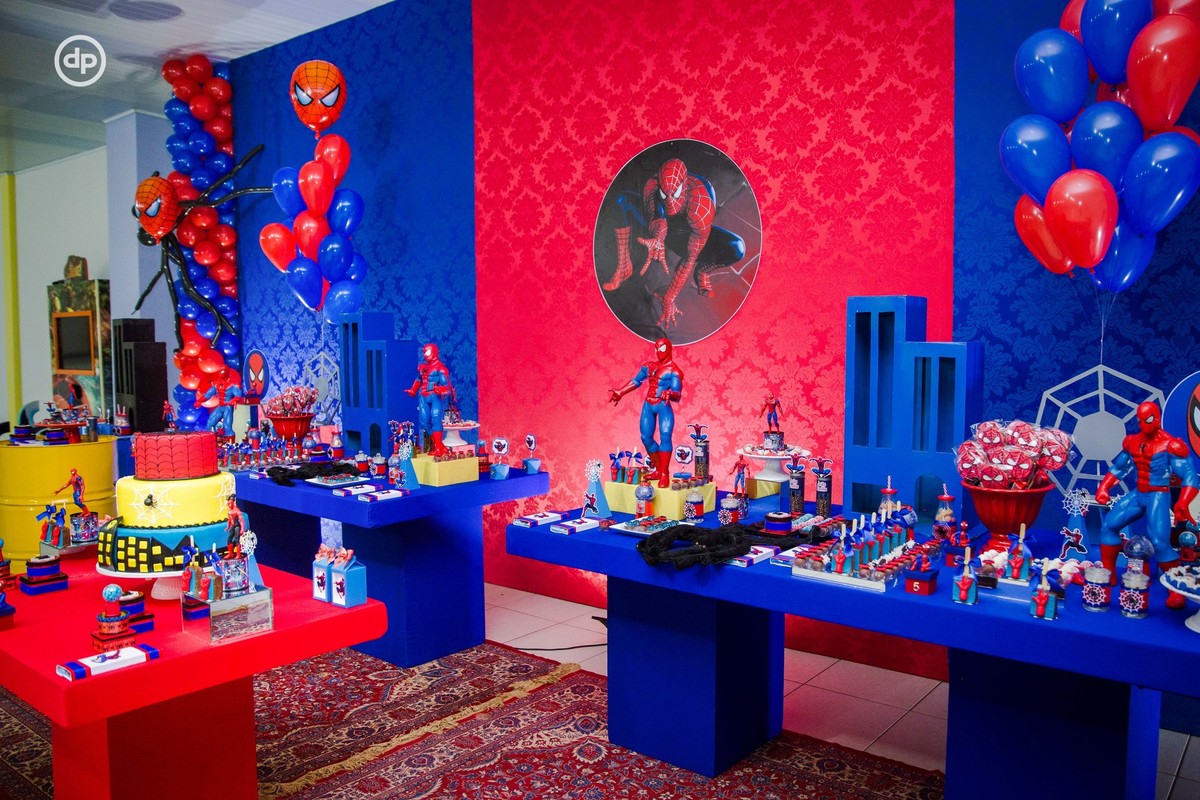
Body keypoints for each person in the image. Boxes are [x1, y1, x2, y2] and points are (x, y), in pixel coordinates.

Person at [602, 159, 746, 328]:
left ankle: (702, 271)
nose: (670, 202)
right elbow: (658, 217)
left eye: (675, 194)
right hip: (661, 230)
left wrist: (669, 298)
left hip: (685, 237)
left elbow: (690, 257)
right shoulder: (653, 185)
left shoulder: (701, 203)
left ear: (684, 186)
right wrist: (658, 238)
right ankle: (624, 266)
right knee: (622, 200)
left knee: (736, 247)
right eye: (665, 195)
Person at [1096, 401, 1199, 609]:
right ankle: (1108, 574)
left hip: (1158, 494)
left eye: (1149, 419)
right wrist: (1104, 487)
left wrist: (1183, 502)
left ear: (1157, 419)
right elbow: (1119, 468)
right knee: (1109, 526)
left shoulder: (1171, 445)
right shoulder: (1132, 442)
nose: (1144, 424)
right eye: (1140, 420)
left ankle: (1175, 589)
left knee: (1160, 543)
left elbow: (1189, 476)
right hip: (1139, 493)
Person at [609, 338, 683, 488]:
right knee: (645, 437)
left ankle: (664, 474)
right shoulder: (649, 366)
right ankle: (659, 470)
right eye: (656, 348)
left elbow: (677, 394)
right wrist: (621, 392)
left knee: (665, 436)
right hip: (649, 403)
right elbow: (636, 381)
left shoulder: (674, 371)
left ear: (669, 349)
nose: (658, 351)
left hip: (663, 405)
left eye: (662, 348)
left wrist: (670, 393)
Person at [405, 343, 454, 456]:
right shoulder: (423, 367)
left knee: (436, 419)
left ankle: (438, 449)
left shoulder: (440, 368)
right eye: (424, 352)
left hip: (435, 396)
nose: (425, 355)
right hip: (423, 396)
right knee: (424, 423)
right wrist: (413, 390)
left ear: (434, 352)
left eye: (427, 352)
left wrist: (440, 389)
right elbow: (419, 380)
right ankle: (440, 447)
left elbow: (447, 386)